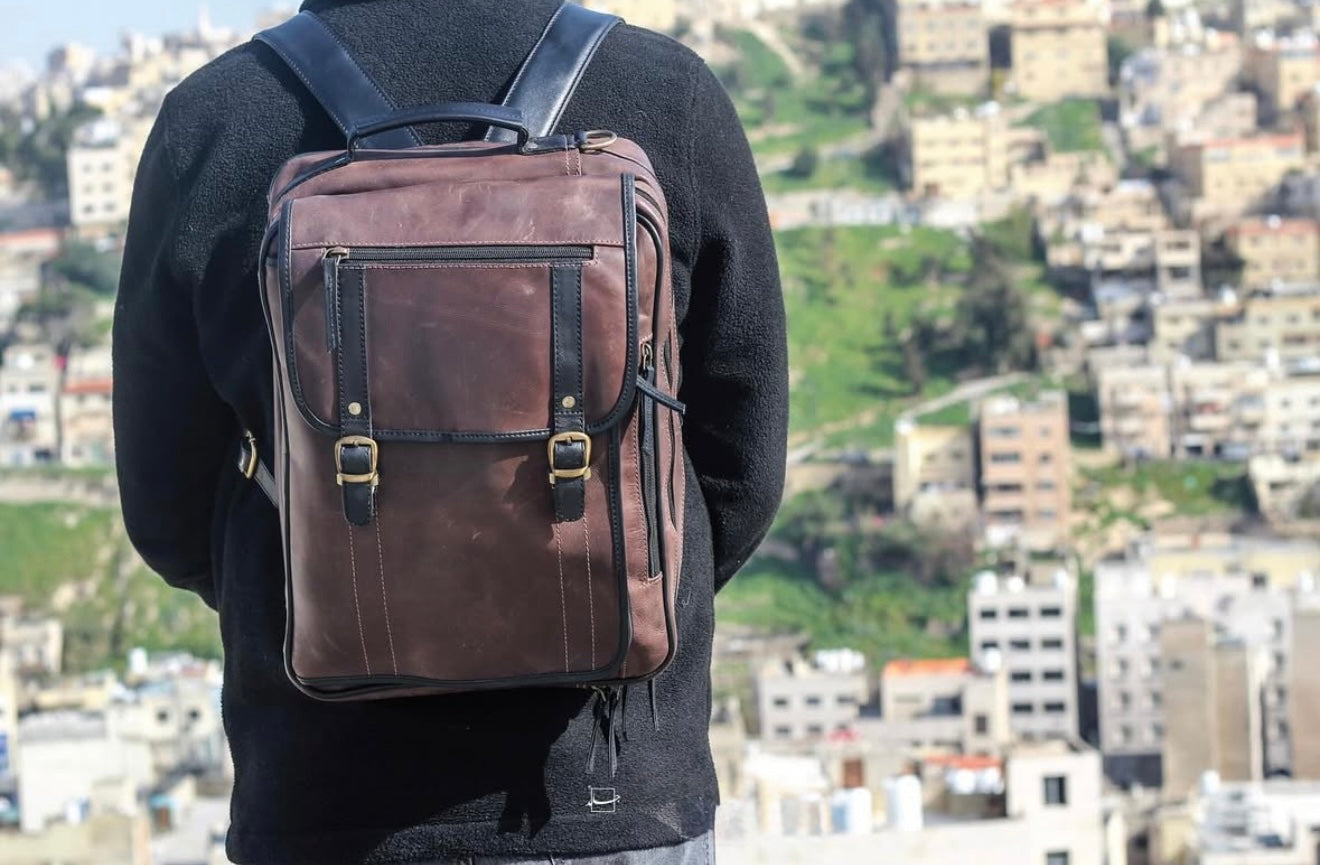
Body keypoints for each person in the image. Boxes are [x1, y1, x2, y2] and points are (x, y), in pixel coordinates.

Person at [112, 1, 788, 863]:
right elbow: (742, 469)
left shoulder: (214, 118)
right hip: (609, 785)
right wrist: (590, 585)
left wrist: (341, 581)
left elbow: (165, 507)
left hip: (325, 791)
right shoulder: (664, 93)